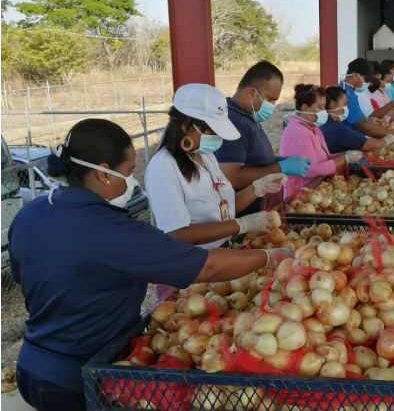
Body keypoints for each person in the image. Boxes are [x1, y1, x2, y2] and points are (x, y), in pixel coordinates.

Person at [8, 118, 290, 411]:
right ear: (104, 173)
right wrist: (272, 257)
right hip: (79, 378)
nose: (132, 181)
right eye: (129, 172)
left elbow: (26, 279)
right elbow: (207, 267)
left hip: (31, 365)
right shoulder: (116, 232)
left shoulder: (30, 215)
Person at [145, 84, 286, 250]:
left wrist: (258, 187)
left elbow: (225, 204)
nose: (219, 138)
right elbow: (177, 234)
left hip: (223, 252)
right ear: (187, 127)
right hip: (197, 264)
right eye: (213, 131)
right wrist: (242, 224)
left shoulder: (205, 156)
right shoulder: (164, 167)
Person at [214, 61, 311, 215]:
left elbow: (251, 160)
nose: (272, 105)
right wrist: (280, 168)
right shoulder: (233, 121)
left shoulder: (246, 115)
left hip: (265, 211)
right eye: (270, 99)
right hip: (248, 217)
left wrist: (279, 161)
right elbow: (231, 177)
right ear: (252, 93)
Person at [279, 84, 363, 198]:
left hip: (316, 189)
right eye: (320, 107)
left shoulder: (314, 129)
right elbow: (313, 169)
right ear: (305, 108)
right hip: (300, 196)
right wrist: (345, 159)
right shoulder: (296, 133)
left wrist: (345, 154)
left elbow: (325, 158)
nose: (325, 111)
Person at [338, 57, 394, 139]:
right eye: (366, 80)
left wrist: (369, 120)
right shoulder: (346, 94)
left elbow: (359, 119)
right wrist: (392, 133)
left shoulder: (350, 91)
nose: (368, 84)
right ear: (355, 76)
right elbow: (363, 126)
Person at [320, 86, 394, 153]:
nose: (347, 108)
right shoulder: (336, 128)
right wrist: (387, 140)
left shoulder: (323, 123)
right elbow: (367, 145)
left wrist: (368, 120)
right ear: (333, 105)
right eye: (345, 104)